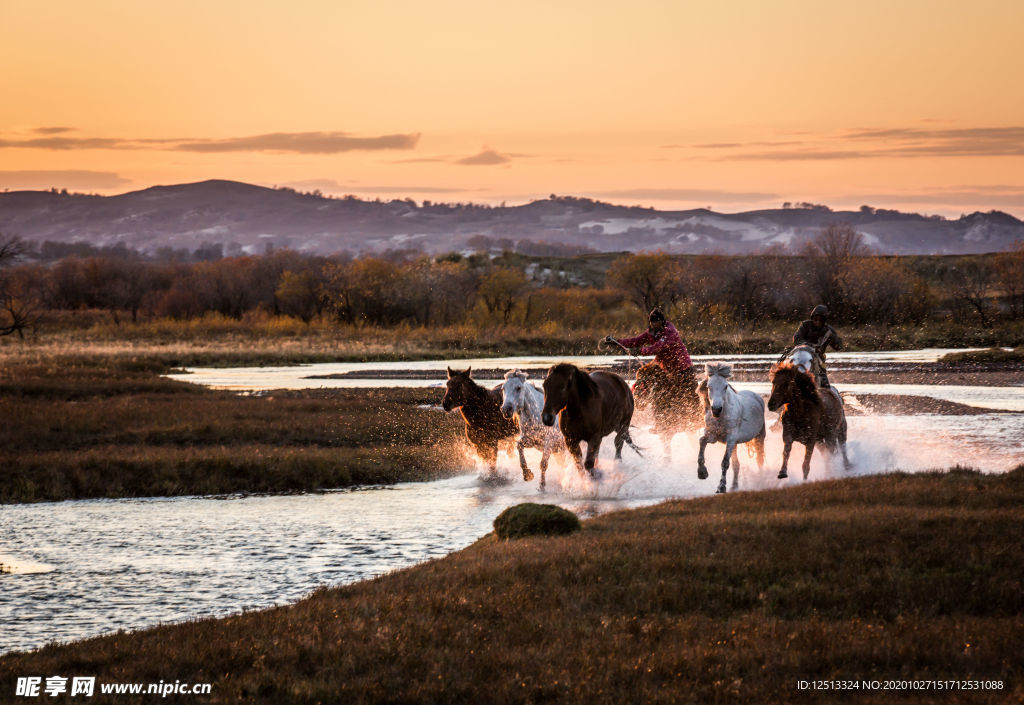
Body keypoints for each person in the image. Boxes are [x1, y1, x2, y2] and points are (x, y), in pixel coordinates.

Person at [605, 308, 696, 398]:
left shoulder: (670, 332)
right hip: (665, 369)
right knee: (643, 373)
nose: (653, 324)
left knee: (689, 396)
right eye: (652, 322)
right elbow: (636, 341)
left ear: (662, 321)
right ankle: (639, 398)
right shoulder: (650, 333)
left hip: (683, 368)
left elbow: (657, 348)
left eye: (656, 322)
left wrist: (640, 351)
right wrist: (617, 342)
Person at [790, 304, 842, 387]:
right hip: (801, 355)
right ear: (812, 318)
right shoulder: (805, 325)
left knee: (825, 385)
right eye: (815, 319)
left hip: (818, 359)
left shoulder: (828, 330)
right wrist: (809, 345)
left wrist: (832, 337)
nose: (817, 321)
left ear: (824, 321)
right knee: (787, 376)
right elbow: (796, 339)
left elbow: (838, 347)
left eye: (820, 320)